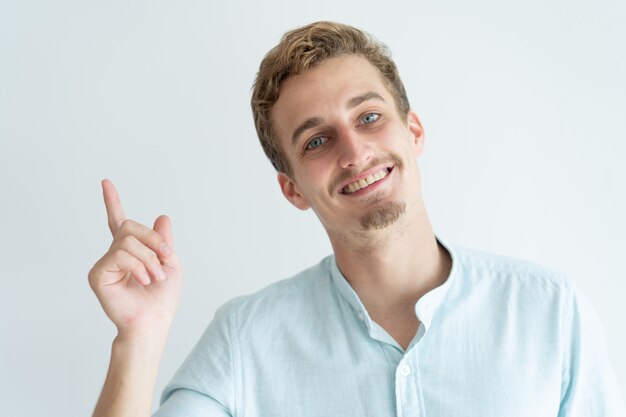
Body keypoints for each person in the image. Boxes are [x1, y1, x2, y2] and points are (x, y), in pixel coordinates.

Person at [89, 21, 624, 417]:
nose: (355, 151)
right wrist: (139, 337)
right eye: (317, 140)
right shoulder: (245, 340)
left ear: (412, 131)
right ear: (292, 189)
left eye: (369, 117)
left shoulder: (550, 311)